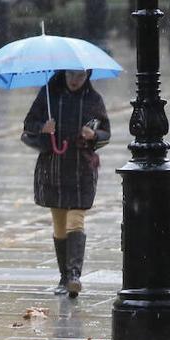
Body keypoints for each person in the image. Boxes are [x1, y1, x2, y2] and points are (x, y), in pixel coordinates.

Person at [21, 69, 110, 297]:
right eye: (71, 75)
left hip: (82, 170)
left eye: (80, 76)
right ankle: (64, 277)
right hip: (54, 169)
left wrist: (94, 136)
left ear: (88, 75)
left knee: (75, 220)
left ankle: (74, 276)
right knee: (59, 224)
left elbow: (106, 133)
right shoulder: (49, 95)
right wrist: (43, 128)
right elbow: (28, 124)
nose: (75, 80)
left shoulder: (93, 99)